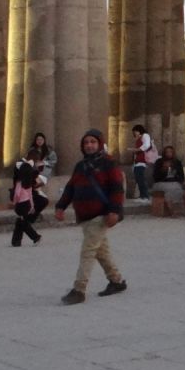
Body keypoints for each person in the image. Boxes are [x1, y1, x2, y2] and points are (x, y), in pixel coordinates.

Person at [54, 129, 126, 304]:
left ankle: (79, 289)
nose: (89, 145)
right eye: (86, 143)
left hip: (100, 215)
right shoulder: (81, 166)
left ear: (99, 144)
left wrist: (114, 211)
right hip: (85, 216)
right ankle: (116, 281)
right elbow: (71, 187)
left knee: (88, 252)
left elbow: (117, 188)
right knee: (101, 251)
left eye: (93, 142)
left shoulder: (109, 163)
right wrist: (60, 206)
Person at [9, 148, 43, 247]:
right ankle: (16, 241)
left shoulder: (22, 178)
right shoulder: (26, 168)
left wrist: (14, 201)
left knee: (22, 220)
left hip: (21, 201)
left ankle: (35, 236)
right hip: (26, 200)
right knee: (21, 220)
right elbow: (29, 191)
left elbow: (18, 193)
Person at [152, 144, 185, 214]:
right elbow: (156, 177)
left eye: (170, 152)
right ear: (164, 153)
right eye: (167, 152)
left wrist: (177, 176)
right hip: (161, 182)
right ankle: (171, 210)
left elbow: (181, 176)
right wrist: (164, 169)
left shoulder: (177, 162)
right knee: (169, 189)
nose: (168, 153)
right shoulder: (159, 162)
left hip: (174, 182)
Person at [130, 123, 157, 202]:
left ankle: (145, 197)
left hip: (142, 160)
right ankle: (142, 196)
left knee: (141, 179)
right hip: (138, 160)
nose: (134, 133)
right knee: (139, 179)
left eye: (135, 131)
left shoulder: (145, 135)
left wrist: (136, 150)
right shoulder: (139, 138)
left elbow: (146, 145)